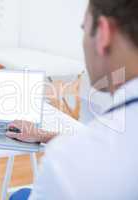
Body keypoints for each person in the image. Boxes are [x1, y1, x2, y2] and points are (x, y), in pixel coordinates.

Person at [7, 0, 138, 199]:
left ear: (103, 34)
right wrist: (42, 135)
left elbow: (90, 148)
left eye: (84, 29)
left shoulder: (66, 162)